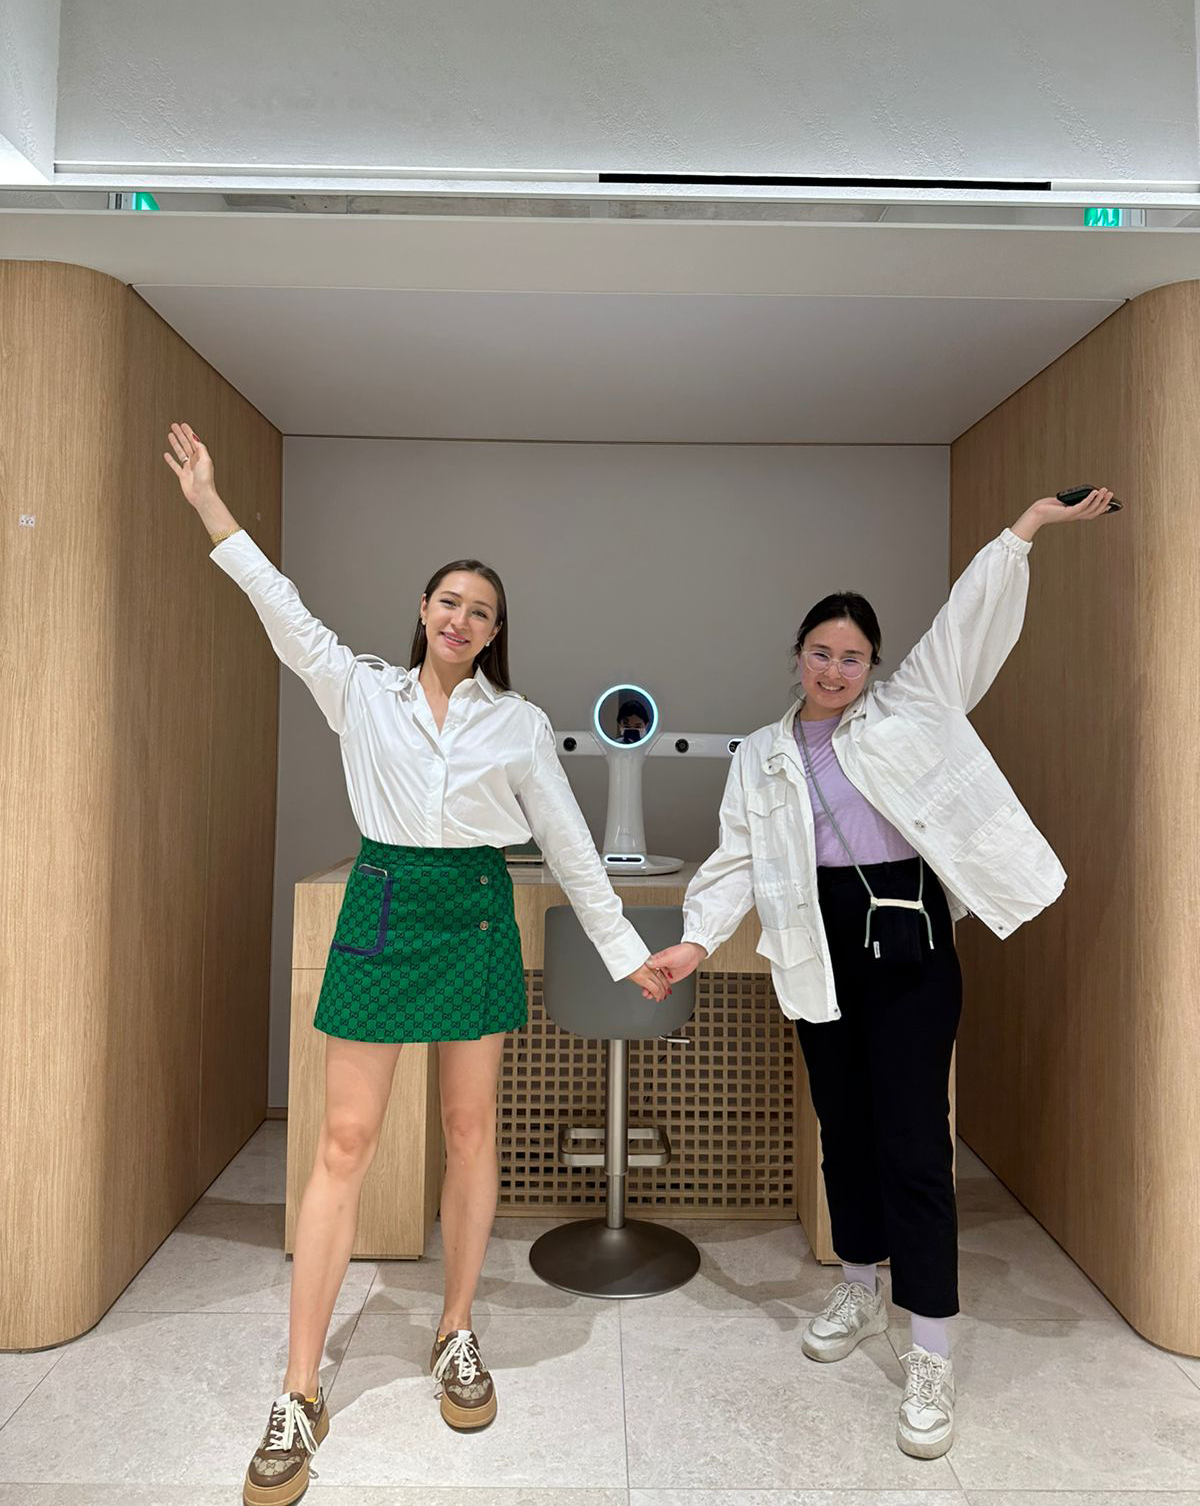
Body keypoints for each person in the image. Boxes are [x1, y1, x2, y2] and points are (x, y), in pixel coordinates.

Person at [162, 422, 670, 1506]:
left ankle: (456, 1329)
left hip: (475, 912)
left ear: (495, 633)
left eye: (481, 610)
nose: (461, 619)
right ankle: (299, 1388)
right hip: (385, 900)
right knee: (343, 1141)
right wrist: (208, 500)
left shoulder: (519, 724)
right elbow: (279, 606)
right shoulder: (360, 691)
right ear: (423, 610)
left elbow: (570, 846)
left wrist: (626, 952)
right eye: (449, 601)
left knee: (469, 1131)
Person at [651, 488, 1116, 1461]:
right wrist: (694, 940)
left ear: (874, 664)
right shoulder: (763, 755)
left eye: (852, 656)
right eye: (821, 652)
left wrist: (1028, 528)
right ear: (797, 655)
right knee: (845, 1132)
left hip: (908, 943)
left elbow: (968, 621)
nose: (834, 669)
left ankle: (931, 1349)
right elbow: (737, 858)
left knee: (912, 1142)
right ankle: (859, 1288)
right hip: (816, 946)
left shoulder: (914, 705)